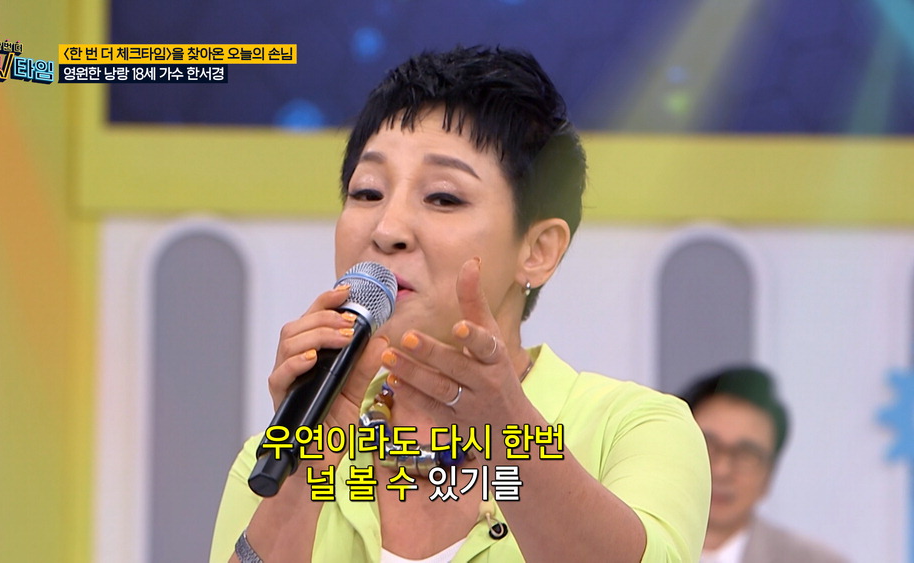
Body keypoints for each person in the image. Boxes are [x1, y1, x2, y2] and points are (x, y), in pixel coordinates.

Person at [211, 46, 710, 562]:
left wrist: (510, 433)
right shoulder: (273, 457)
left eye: (443, 197)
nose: (387, 229)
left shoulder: (634, 429)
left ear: (538, 251)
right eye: (367, 193)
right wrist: (303, 470)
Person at [679, 366, 848, 563]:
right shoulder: (645, 545)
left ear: (769, 475)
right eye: (708, 445)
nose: (722, 470)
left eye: (746, 455)